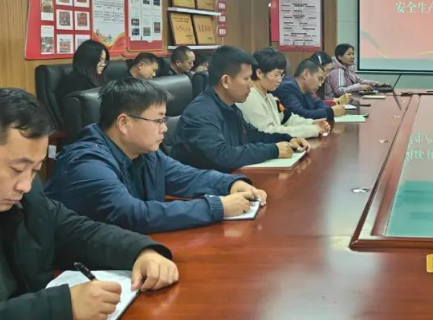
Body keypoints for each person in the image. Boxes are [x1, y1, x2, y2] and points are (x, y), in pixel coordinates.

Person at [0, 88, 178, 320]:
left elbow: (75, 230)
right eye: (16, 168)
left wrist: (141, 251)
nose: (25, 185)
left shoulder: (27, 196)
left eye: (35, 170)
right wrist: (65, 308)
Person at [45, 79, 267, 233]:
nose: (165, 128)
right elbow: (133, 214)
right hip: (78, 272)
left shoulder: (143, 153)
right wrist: (217, 207)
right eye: (158, 120)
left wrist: (231, 184)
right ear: (123, 122)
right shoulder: (87, 164)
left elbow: (185, 176)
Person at [169, 46, 309, 173]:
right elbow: (223, 155)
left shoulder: (230, 106)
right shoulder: (201, 113)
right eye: (246, 79)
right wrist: (274, 150)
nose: (251, 85)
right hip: (201, 189)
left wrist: (288, 139)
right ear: (226, 81)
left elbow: (253, 135)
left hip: (228, 180)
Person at [238, 48, 331, 139]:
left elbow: (287, 119)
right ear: (259, 73)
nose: (280, 80)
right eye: (276, 75)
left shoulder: (269, 97)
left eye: (281, 75)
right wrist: (312, 129)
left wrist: (311, 123)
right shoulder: (250, 97)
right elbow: (269, 132)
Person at [279, 60, 347, 120]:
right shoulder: (287, 87)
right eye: (319, 79)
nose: (320, 85)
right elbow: (298, 114)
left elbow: (317, 104)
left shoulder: (306, 90)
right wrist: (330, 112)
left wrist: (333, 109)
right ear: (306, 74)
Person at [55, 39, 109, 110]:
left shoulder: (100, 77)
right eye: (99, 60)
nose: (103, 65)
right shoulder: (73, 82)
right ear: (88, 60)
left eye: (104, 61)